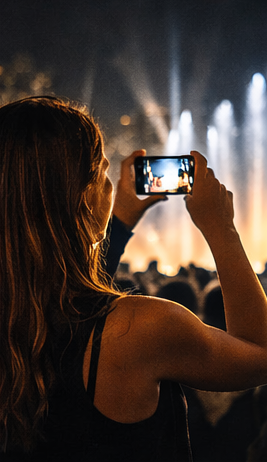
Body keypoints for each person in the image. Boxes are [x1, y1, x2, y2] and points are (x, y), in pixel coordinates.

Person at [1, 96, 267, 462]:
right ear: (79, 199)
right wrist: (221, 228)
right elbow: (261, 354)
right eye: (101, 174)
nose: (110, 188)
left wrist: (122, 218)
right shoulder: (139, 328)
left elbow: (66, 296)